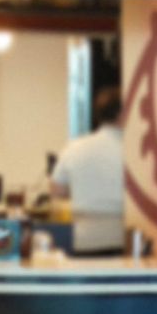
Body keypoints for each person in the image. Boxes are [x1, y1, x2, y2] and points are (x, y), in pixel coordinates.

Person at [50, 84, 127, 256]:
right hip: (124, 239)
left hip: (81, 240)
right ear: (123, 113)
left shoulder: (75, 147)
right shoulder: (134, 152)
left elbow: (57, 190)